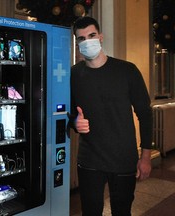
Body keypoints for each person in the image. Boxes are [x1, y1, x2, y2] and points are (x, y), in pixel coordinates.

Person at [68, 16, 153, 216]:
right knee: (90, 212)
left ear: (101, 37)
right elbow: (68, 114)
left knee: (122, 211)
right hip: (90, 160)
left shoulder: (127, 71)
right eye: (81, 38)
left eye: (92, 35)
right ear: (77, 44)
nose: (87, 41)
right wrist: (74, 122)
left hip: (123, 158)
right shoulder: (73, 75)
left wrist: (146, 157)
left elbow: (145, 114)